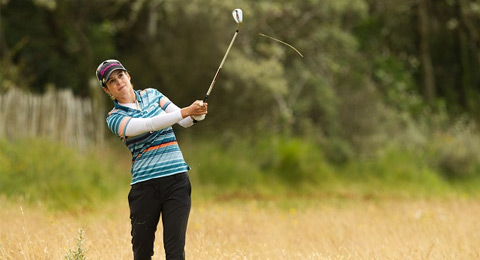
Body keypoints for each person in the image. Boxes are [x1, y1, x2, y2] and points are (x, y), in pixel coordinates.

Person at [95, 59, 207, 260]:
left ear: (128, 76)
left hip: (176, 182)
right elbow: (148, 125)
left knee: (175, 252)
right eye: (111, 81)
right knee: (142, 253)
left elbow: (184, 121)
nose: (118, 82)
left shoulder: (153, 95)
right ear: (107, 90)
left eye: (120, 75)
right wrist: (186, 111)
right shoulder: (114, 117)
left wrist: (198, 114)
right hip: (145, 188)